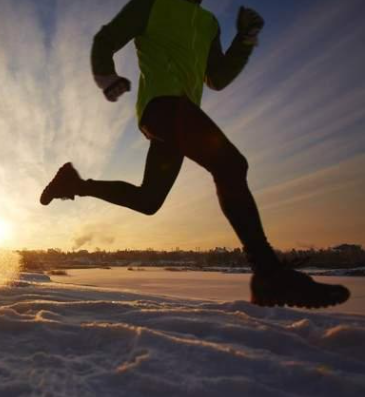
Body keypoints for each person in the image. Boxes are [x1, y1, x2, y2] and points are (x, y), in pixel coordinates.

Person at [40, 0, 350, 308]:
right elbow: (106, 39)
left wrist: (244, 39)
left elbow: (216, 78)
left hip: (182, 115)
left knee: (149, 201)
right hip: (162, 107)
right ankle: (268, 273)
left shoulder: (209, 23)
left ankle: (74, 184)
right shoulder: (150, 6)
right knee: (230, 165)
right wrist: (107, 77)